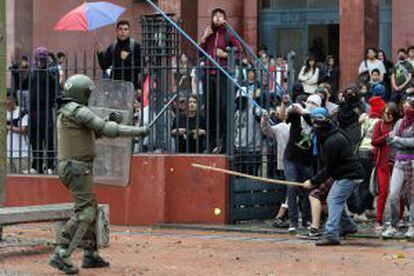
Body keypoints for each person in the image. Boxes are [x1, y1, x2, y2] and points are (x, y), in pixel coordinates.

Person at [48, 74, 149, 274]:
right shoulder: (77, 110)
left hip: (77, 167)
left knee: (90, 209)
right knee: (85, 212)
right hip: (77, 168)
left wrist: (109, 121)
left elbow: (96, 130)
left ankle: (90, 254)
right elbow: (106, 130)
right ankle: (61, 253)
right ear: (82, 93)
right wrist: (137, 131)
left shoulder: (70, 111)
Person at [303, 108, 365, 246]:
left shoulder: (332, 141)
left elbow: (328, 169)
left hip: (350, 175)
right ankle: (349, 226)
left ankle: (331, 234)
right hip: (346, 173)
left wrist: (312, 181)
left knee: (333, 199)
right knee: (336, 199)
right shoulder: (331, 134)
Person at [199, 8, 241, 153]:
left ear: (225, 18)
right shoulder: (209, 33)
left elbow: (240, 53)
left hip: (222, 75)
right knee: (209, 110)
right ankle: (210, 145)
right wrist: (204, 37)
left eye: (220, 16)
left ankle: (224, 144)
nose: (217, 18)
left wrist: (225, 54)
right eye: (215, 16)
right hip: (208, 74)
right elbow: (200, 53)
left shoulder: (229, 33)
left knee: (223, 109)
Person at [382, 96, 414, 240]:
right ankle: (393, 225)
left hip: (412, 163)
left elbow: (412, 142)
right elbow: (390, 140)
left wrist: (398, 140)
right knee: (394, 194)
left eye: (409, 107)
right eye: (405, 106)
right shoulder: (400, 122)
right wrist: (401, 142)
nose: (406, 109)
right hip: (399, 162)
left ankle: (412, 226)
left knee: (411, 196)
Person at [28, 46, 59, 174]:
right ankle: (37, 165)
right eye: (38, 58)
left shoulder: (51, 71)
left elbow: (54, 86)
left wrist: (44, 70)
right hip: (34, 109)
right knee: (35, 138)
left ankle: (51, 165)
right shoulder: (32, 71)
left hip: (46, 108)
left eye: (42, 58)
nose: (40, 60)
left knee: (48, 137)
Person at [371, 102, 401, 232]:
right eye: (385, 113)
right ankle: (378, 220)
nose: (386, 116)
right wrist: (387, 136)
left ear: (394, 115)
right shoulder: (379, 124)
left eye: (389, 114)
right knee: (383, 192)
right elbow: (374, 141)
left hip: (398, 162)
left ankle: (399, 219)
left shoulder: (399, 124)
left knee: (398, 192)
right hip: (382, 163)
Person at [96, 20, 141, 89]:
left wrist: (128, 57)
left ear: (129, 31)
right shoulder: (113, 47)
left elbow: (140, 67)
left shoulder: (135, 46)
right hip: (115, 86)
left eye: (126, 29)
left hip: (131, 85)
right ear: (116, 31)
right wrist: (100, 53)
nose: (123, 32)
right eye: (120, 29)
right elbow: (104, 66)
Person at [6, 93, 29, 173]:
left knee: (23, 181)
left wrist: (9, 127)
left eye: (9, 99)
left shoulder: (21, 112)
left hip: (21, 154)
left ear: (14, 100)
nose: (7, 102)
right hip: (7, 154)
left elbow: (24, 130)